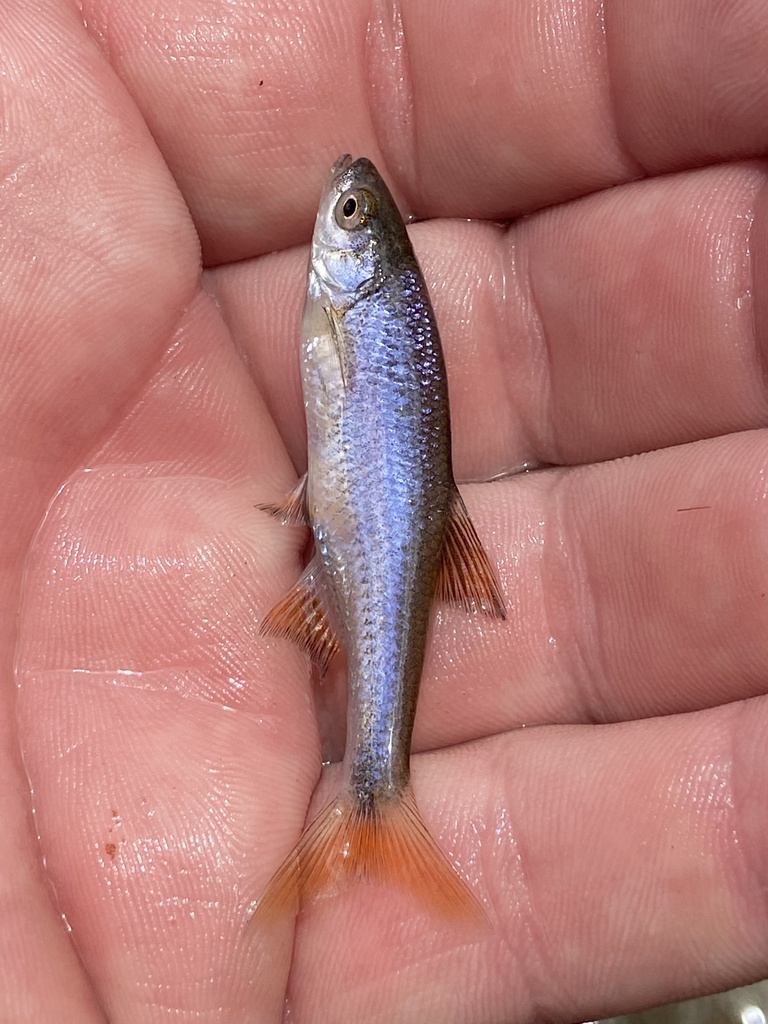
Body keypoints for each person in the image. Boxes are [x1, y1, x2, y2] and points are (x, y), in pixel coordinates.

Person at [3, 0, 767, 1020]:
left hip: (371, 526)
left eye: (350, 217)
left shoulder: (351, 304)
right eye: (355, 214)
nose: (339, 206)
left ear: (359, 262)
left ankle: (378, 791)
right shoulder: (356, 305)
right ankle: (377, 799)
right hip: (373, 523)